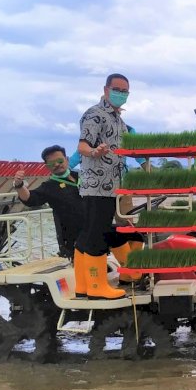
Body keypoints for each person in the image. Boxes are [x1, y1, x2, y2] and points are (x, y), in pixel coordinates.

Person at [14, 145, 137, 272]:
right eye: (52, 164)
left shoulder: (82, 177)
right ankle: (130, 273)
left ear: (67, 160)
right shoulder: (49, 187)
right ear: (47, 167)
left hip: (95, 227)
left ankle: (130, 274)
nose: (57, 164)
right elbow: (29, 198)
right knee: (103, 239)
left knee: (133, 234)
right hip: (75, 237)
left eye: (60, 161)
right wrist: (19, 185)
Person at [75, 73, 131, 298]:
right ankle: (97, 288)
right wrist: (94, 151)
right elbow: (82, 146)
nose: (121, 94)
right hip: (97, 186)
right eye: (117, 89)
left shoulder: (119, 120)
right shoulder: (94, 115)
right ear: (106, 89)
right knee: (97, 234)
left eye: (125, 91)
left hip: (112, 187)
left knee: (88, 234)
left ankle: (82, 285)